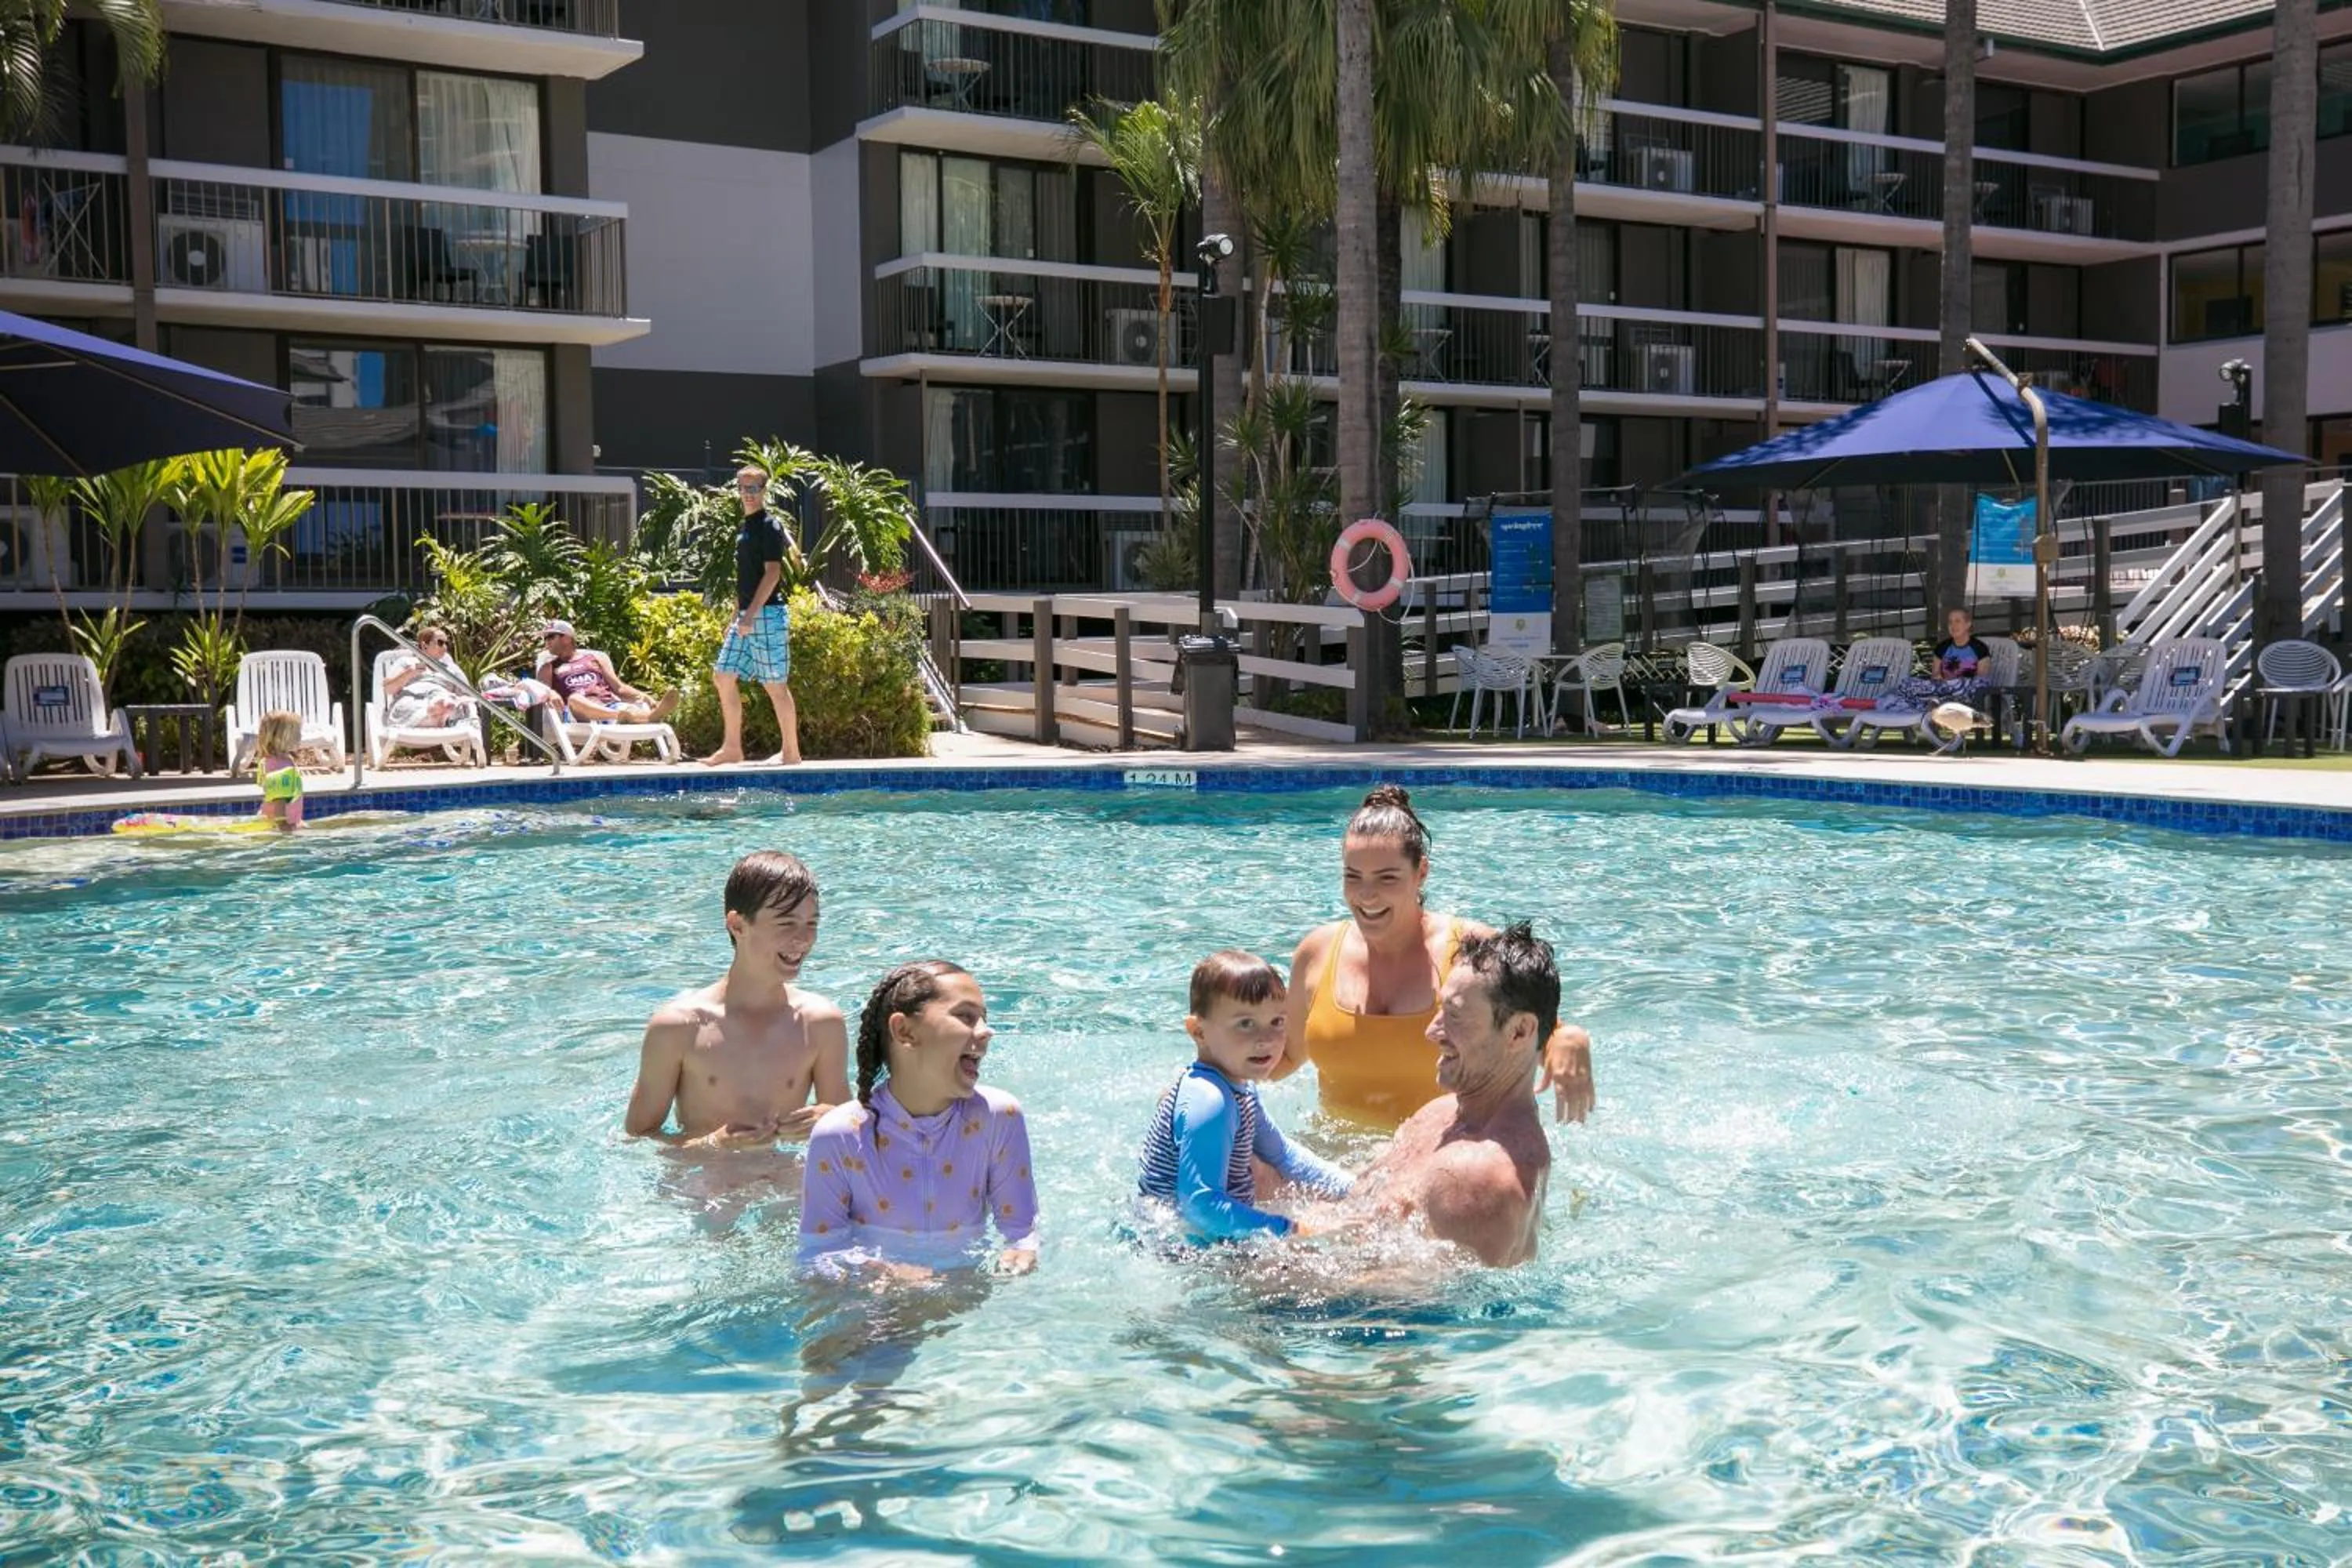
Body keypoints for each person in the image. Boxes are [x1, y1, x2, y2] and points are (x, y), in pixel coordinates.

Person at [1279, 785, 1594, 1130]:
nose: (1366, 895)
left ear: (1421, 872)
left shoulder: (1472, 952)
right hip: (1332, 1158)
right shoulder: (1318, 951)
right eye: (1353, 877)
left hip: (1444, 1155)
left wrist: (1570, 1037)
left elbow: (1531, 1032)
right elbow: (1284, 1055)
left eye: (1387, 878)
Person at [1321, 923, 1558, 1268]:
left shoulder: (1481, 1177)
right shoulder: (1440, 1113)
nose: (1432, 1031)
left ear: (1519, 1032)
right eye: (1440, 1009)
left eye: (1455, 1016)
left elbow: (1402, 1293)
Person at [798, 961, 1040, 1279]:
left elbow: (1022, 1231)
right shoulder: (841, 1134)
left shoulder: (998, 1117)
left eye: (984, 1018)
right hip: (878, 1298)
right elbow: (816, 1254)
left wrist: (1022, 1254)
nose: (985, 1031)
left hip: (965, 1288)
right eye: (966, 1016)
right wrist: (884, 1274)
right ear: (905, 1031)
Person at [626, 850, 849, 1151]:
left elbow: (849, 1139)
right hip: (703, 1178)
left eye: (812, 924)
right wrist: (713, 1143)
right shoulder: (678, 1027)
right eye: (786, 923)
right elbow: (636, 1139)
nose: (803, 938)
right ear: (738, 926)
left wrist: (832, 1119)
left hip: (786, 1175)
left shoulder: (821, 1023)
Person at [1135, 951, 1354, 1246]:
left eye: (1277, 1021)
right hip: (1182, 1248)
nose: (1266, 1038)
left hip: (1217, 1232)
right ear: (1199, 1032)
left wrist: (1351, 1190)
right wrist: (1293, 1229)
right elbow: (1200, 1206)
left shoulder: (1239, 1087)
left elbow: (1281, 1154)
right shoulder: (1210, 1101)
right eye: (1246, 1024)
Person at [704, 464, 803, 768]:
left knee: (775, 685)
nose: (747, 494)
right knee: (723, 676)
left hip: (768, 615)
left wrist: (750, 616)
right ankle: (732, 748)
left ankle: (791, 753)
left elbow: (772, 574)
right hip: (747, 616)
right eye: (743, 488)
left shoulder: (769, 526)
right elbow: (745, 578)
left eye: (753, 488)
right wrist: (737, 616)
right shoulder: (745, 528)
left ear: (763, 491)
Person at [118, 708, 310, 835]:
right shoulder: (280, 765)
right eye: (296, 733)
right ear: (281, 737)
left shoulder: (277, 761)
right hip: (276, 823)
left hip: (279, 820)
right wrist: (284, 827)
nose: (300, 737)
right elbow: (278, 800)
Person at [536, 619, 680, 726]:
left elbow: (619, 688)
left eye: (550, 637)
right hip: (578, 715)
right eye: (545, 638)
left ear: (567, 638)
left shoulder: (595, 659)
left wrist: (646, 697)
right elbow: (540, 692)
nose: (546, 642)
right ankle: (625, 717)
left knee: (628, 708)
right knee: (575, 699)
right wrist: (550, 692)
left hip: (608, 705)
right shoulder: (548, 668)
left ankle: (652, 715)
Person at [1889, 607, 1994, 710]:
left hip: (1966, 690)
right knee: (1908, 684)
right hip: (1944, 688)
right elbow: (1935, 675)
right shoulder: (1942, 647)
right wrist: (1942, 680)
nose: (1953, 626)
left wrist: (1957, 683)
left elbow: (1982, 677)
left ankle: (1935, 702)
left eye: (1958, 621)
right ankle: (1937, 701)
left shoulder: (1979, 648)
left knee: (1978, 684)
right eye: (1950, 622)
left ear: (1968, 624)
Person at [382, 626, 475, 730]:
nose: (445, 648)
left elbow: (467, 694)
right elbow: (388, 689)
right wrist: (410, 672)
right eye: (440, 643)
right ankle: (435, 714)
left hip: (443, 697)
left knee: (447, 699)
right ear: (424, 645)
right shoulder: (408, 662)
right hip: (414, 699)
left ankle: (436, 712)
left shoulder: (451, 668)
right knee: (409, 705)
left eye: (446, 644)